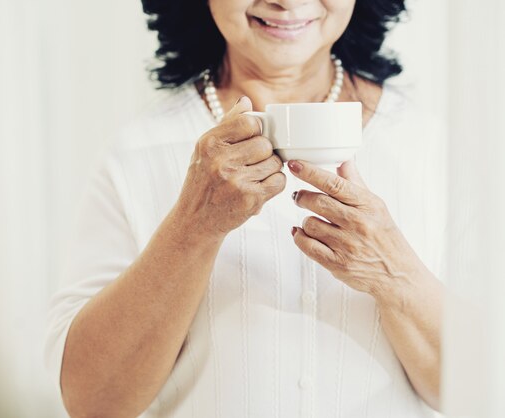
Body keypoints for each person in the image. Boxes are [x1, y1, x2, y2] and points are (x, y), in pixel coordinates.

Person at [45, 0, 448, 417]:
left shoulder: (435, 149)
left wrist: (395, 275)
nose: (288, 2)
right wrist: (192, 227)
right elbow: (93, 402)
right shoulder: (134, 155)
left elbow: (487, 391)